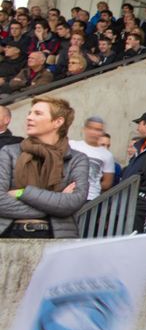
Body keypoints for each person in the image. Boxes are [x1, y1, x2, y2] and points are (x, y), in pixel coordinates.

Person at [0, 96, 89, 238]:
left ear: (58, 122)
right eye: (29, 113)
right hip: (9, 232)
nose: (29, 117)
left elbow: (73, 202)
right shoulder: (9, 152)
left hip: (56, 235)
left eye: (38, 113)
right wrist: (53, 206)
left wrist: (22, 193)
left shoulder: (77, 159)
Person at [69, 116, 115, 200]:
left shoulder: (107, 155)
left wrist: (94, 186)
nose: (94, 132)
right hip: (69, 194)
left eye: (98, 130)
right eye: (91, 128)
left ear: (102, 132)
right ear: (84, 129)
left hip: (91, 198)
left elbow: (108, 182)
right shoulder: (72, 145)